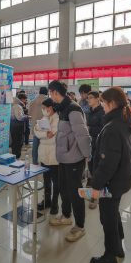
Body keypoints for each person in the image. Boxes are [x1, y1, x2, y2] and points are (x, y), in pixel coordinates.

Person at [89, 87, 131, 263]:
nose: (102, 106)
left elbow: (108, 163)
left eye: (103, 102)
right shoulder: (124, 121)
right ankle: (117, 247)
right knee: (113, 212)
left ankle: (110, 258)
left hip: (112, 181)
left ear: (112, 103)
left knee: (107, 218)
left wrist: (96, 185)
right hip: (123, 178)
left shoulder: (112, 127)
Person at [48, 80, 91, 242]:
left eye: (50, 93)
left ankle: (80, 226)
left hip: (74, 158)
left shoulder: (73, 109)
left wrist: (87, 154)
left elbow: (82, 135)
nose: (50, 96)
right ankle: (66, 216)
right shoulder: (63, 108)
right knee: (63, 188)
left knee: (75, 193)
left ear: (55, 92)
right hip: (64, 157)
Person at [34, 98, 60, 213]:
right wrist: (45, 134)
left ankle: (55, 204)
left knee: (56, 182)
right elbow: (36, 131)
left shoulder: (58, 119)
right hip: (43, 154)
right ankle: (47, 201)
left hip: (54, 156)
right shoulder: (44, 119)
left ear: (50, 108)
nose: (43, 110)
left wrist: (43, 135)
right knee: (46, 180)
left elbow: (53, 138)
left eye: (44, 108)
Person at [86, 90, 105, 209]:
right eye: (88, 98)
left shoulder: (102, 112)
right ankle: (92, 188)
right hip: (89, 143)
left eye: (91, 98)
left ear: (98, 99)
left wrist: (90, 129)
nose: (88, 100)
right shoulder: (89, 111)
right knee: (91, 167)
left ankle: (96, 196)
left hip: (98, 144)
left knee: (96, 169)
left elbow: (103, 129)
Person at [28, 87, 48, 165]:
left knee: (35, 145)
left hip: (35, 125)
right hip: (46, 125)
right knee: (45, 145)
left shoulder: (33, 102)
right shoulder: (49, 101)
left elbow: (29, 113)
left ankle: (34, 161)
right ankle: (44, 162)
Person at [10, 93, 27, 158]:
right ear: (22, 99)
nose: (25, 101)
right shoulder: (18, 106)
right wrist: (26, 117)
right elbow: (19, 118)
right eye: (25, 100)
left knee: (14, 142)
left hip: (13, 126)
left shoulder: (14, 104)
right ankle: (17, 156)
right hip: (17, 127)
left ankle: (15, 155)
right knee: (17, 142)